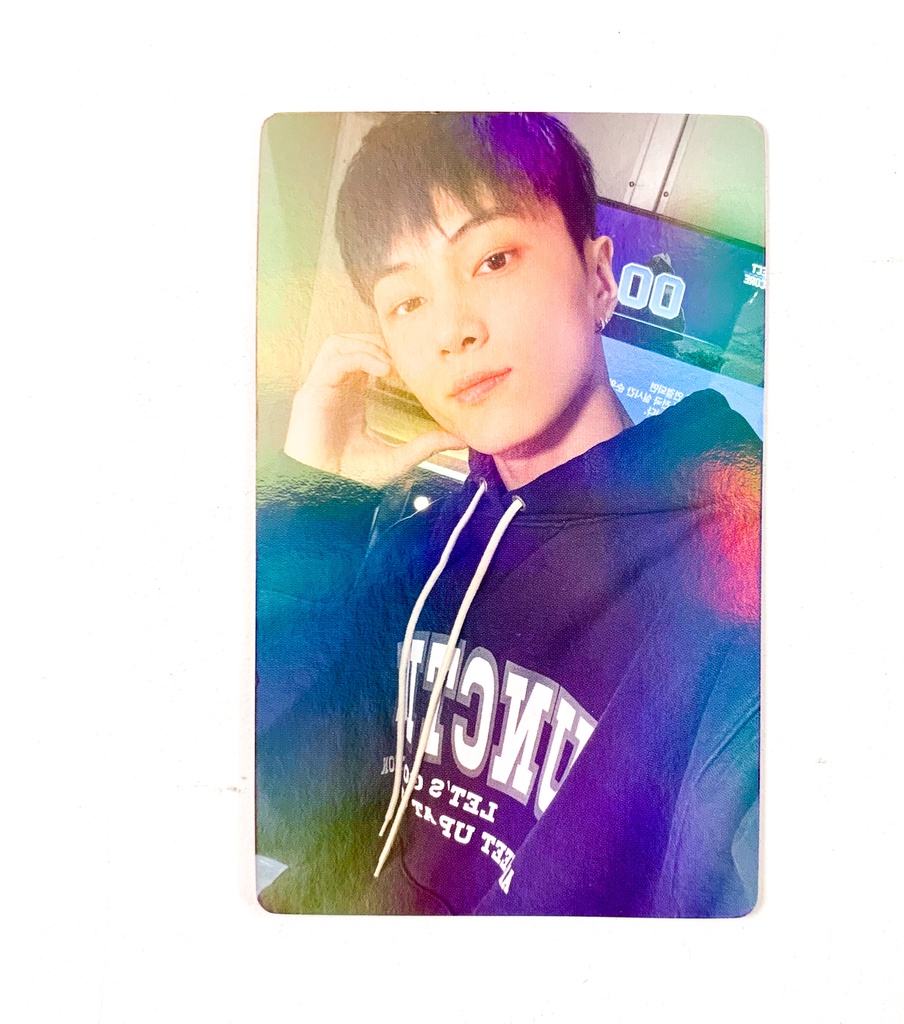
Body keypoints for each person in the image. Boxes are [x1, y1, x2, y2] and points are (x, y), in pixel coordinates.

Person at [256, 112, 762, 916]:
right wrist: (317, 503)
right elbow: (276, 800)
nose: (453, 330)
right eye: (407, 300)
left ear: (600, 280)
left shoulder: (737, 570)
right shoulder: (415, 551)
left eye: (493, 259)